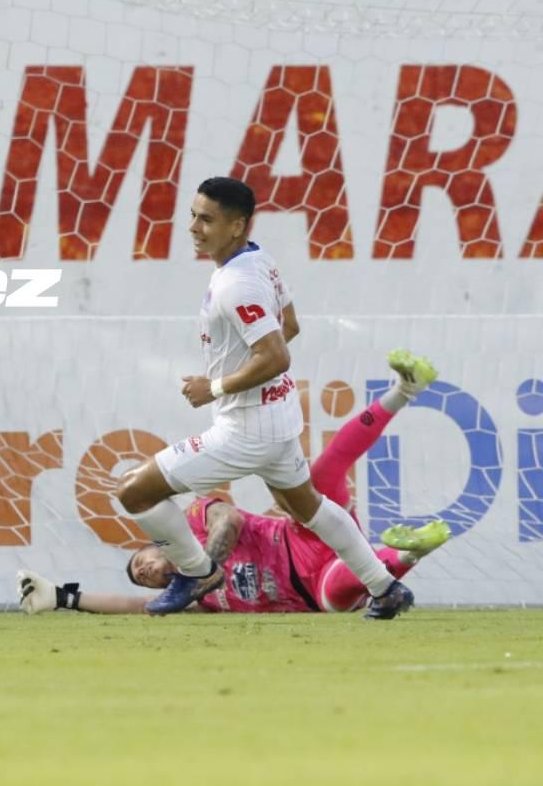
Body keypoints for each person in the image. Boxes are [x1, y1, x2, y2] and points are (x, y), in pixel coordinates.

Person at [114, 177, 412, 619]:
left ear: (237, 226)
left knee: (134, 492)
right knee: (308, 508)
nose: (194, 227)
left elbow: (276, 354)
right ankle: (385, 586)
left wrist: (213, 386)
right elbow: (288, 324)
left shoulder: (237, 284)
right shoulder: (258, 260)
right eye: (193, 215)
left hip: (246, 429)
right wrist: (234, 365)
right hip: (277, 416)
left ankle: (197, 571)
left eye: (206, 219)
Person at [19, 349, 449, 616]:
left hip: (298, 535)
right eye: (146, 578)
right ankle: (405, 553)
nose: (147, 572)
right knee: (338, 591)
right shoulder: (188, 598)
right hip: (310, 588)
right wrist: (62, 598)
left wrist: (207, 569)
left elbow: (230, 520)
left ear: (158, 542)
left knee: (326, 470)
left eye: (141, 562)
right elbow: (133, 606)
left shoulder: (196, 520)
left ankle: (404, 391)